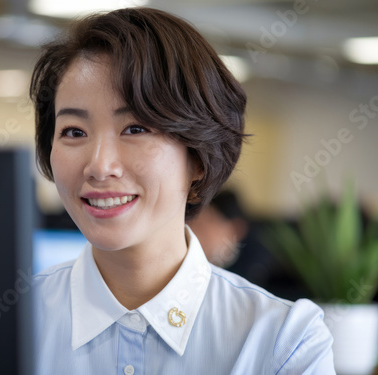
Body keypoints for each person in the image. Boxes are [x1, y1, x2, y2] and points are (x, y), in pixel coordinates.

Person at [31, 7, 335, 374]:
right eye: (74, 132)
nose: (98, 166)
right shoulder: (2, 322)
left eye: (136, 128)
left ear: (198, 158)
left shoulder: (281, 341)